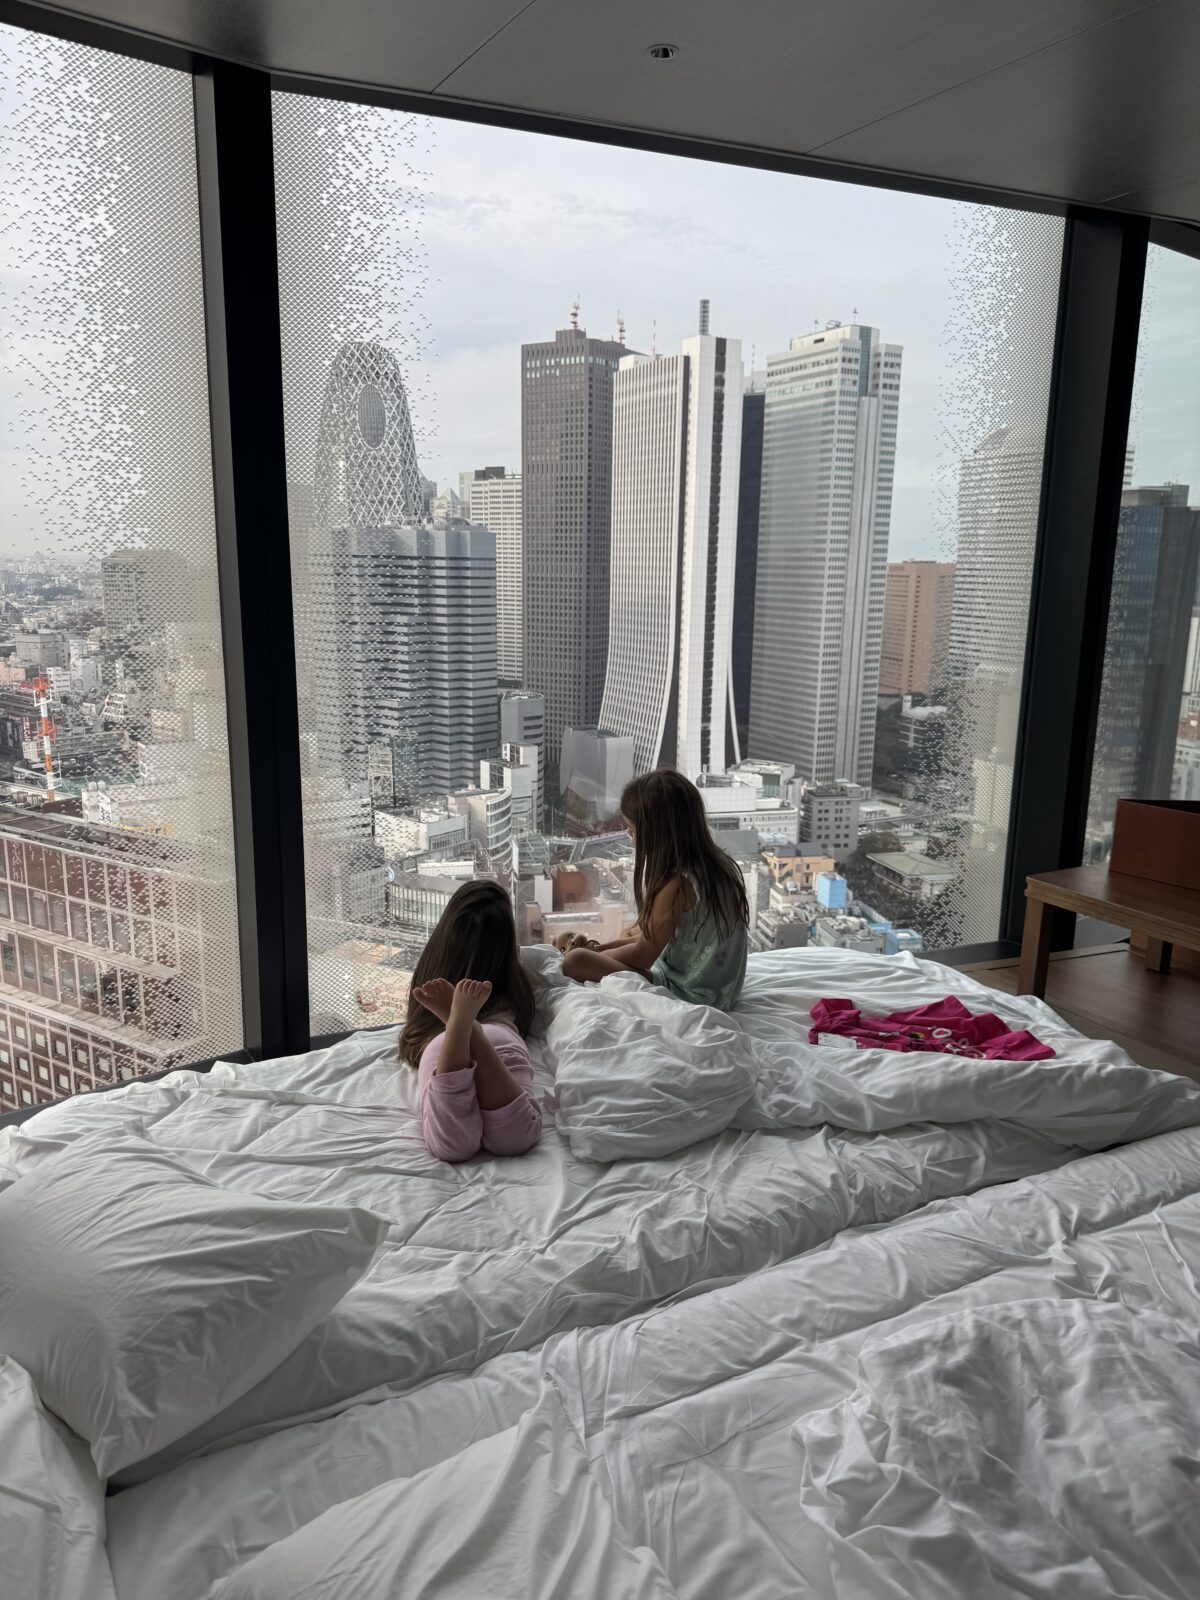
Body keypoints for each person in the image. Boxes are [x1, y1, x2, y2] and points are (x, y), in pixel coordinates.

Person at [561, 769, 749, 1010]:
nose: (630, 837)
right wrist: (605, 948)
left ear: (657, 834)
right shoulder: (718, 864)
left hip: (688, 992)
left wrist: (599, 958)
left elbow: (643, 956)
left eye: (632, 830)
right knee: (631, 932)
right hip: (720, 990)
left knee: (575, 961)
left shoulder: (676, 884)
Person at [399, 881, 541, 1163]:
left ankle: (459, 1024)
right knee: (516, 1137)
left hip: (442, 1045)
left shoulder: (429, 979)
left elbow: (412, 1033)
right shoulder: (517, 975)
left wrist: (456, 1023)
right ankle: (466, 1027)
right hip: (501, 1041)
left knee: (452, 1145)